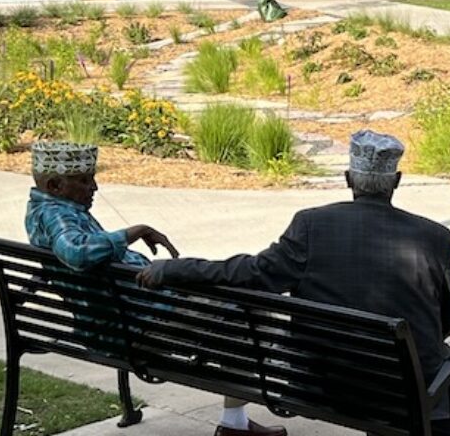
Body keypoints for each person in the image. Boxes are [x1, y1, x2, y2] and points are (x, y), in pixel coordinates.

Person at [137, 130, 450, 420]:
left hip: (323, 385)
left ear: (348, 178)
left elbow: (252, 274)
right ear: (397, 180)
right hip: (406, 391)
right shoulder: (435, 236)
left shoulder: (311, 225)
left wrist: (174, 268)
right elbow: (446, 321)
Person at [26, 142, 286, 436]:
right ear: (54, 185)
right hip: (140, 328)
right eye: (84, 180)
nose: (94, 187)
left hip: (127, 318)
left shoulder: (46, 210)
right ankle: (236, 421)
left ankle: (236, 419)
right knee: (252, 313)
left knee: (233, 298)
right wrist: (135, 231)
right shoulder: (56, 215)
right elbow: (77, 253)